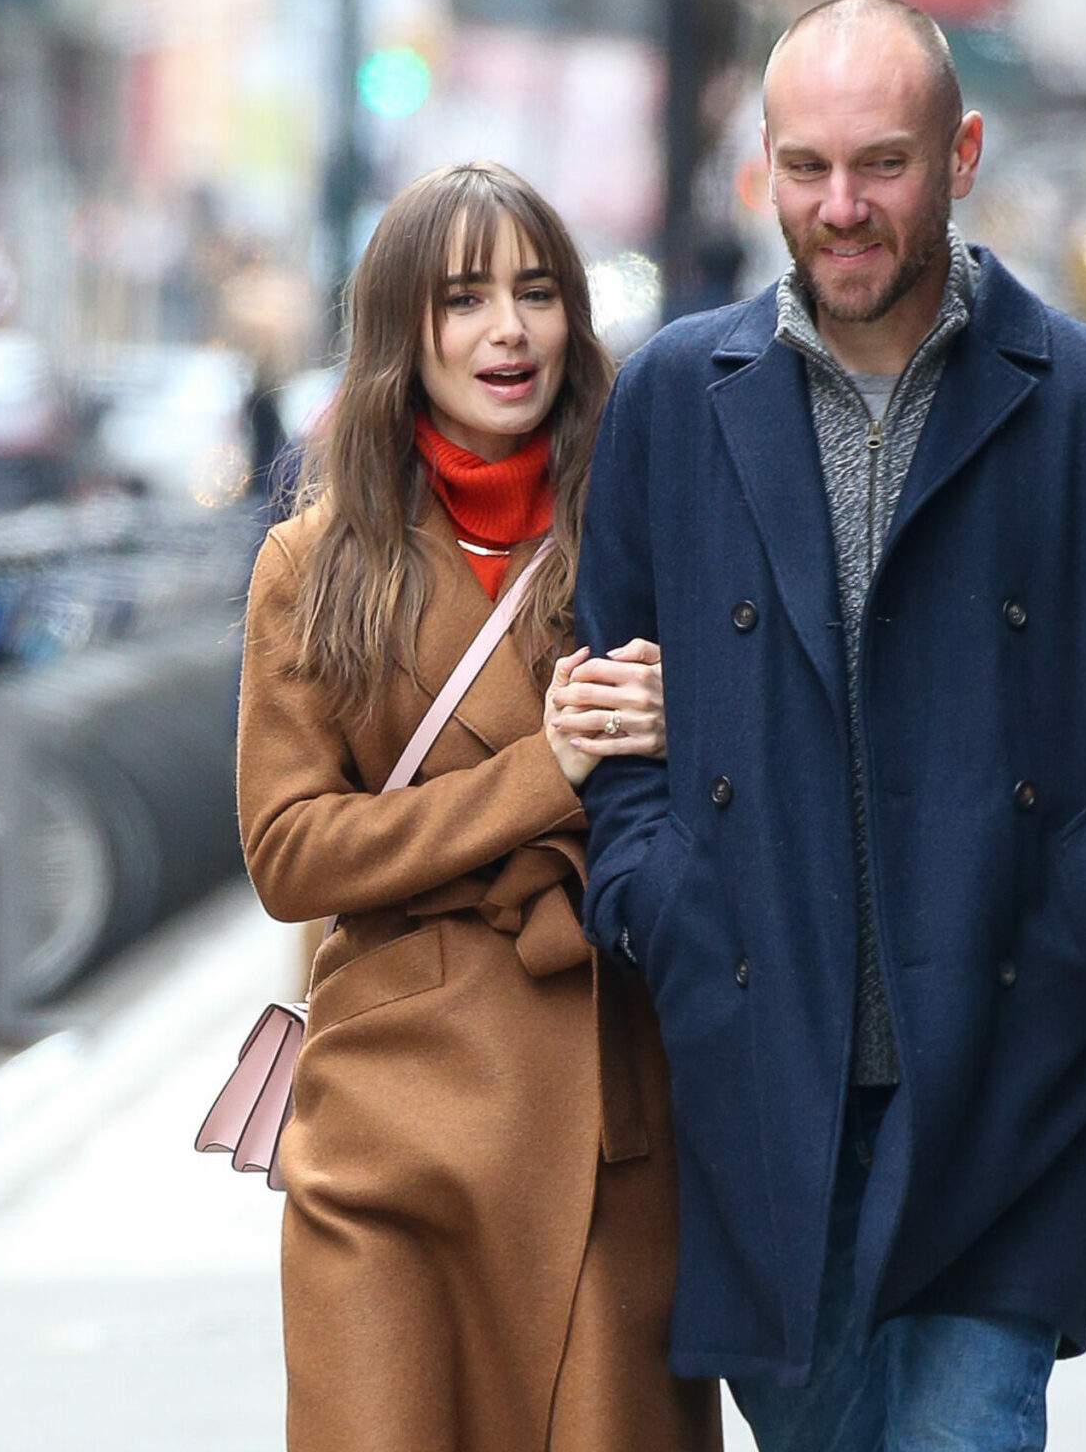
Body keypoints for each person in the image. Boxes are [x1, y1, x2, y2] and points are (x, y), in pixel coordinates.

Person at [562, 0, 1086, 1452]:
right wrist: (655, 899)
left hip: (1010, 1069)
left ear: (958, 154)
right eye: (806, 168)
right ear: (757, 170)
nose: (841, 209)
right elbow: (612, 693)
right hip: (759, 1072)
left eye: (880, 164)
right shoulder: (667, 402)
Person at [236, 162, 720, 1452]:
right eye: (462, 299)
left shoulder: (652, 532)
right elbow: (288, 854)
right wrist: (539, 772)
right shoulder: (314, 561)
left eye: (537, 291)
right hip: (389, 1127)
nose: (508, 331)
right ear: (406, 333)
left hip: (611, 1110)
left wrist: (692, 730)